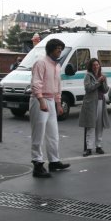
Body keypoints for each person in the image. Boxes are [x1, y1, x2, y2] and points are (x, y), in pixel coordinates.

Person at [29, 38, 71, 178]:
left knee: (53, 133)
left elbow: (58, 86)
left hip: (51, 100)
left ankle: (54, 161)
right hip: (39, 100)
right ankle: (37, 164)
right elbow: (36, 83)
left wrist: (58, 104)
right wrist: (41, 100)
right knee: (38, 134)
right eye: (58, 48)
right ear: (50, 49)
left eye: (61, 48)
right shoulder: (41, 62)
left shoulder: (57, 66)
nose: (60, 51)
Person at [78, 58, 109, 156]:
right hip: (91, 103)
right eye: (94, 65)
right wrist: (98, 81)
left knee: (100, 125)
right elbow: (88, 88)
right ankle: (89, 148)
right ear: (91, 66)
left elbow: (105, 90)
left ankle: (98, 146)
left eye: (97, 65)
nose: (96, 66)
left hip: (100, 101)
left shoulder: (102, 76)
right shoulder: (88, 75)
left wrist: (103, 82)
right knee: (91, 125)